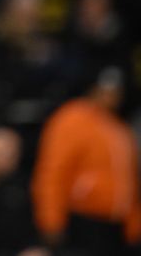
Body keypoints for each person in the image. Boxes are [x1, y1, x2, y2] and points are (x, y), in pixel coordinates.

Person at [32, 66, 141, 255]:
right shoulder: (72, 118)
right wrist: (51, 220)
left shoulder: (120, 129)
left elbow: (130, 182)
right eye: (105, 89)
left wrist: (134, 225)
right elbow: (53, 171)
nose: (110, 95)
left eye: (116, 91)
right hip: (82, 222)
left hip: (116, 229)